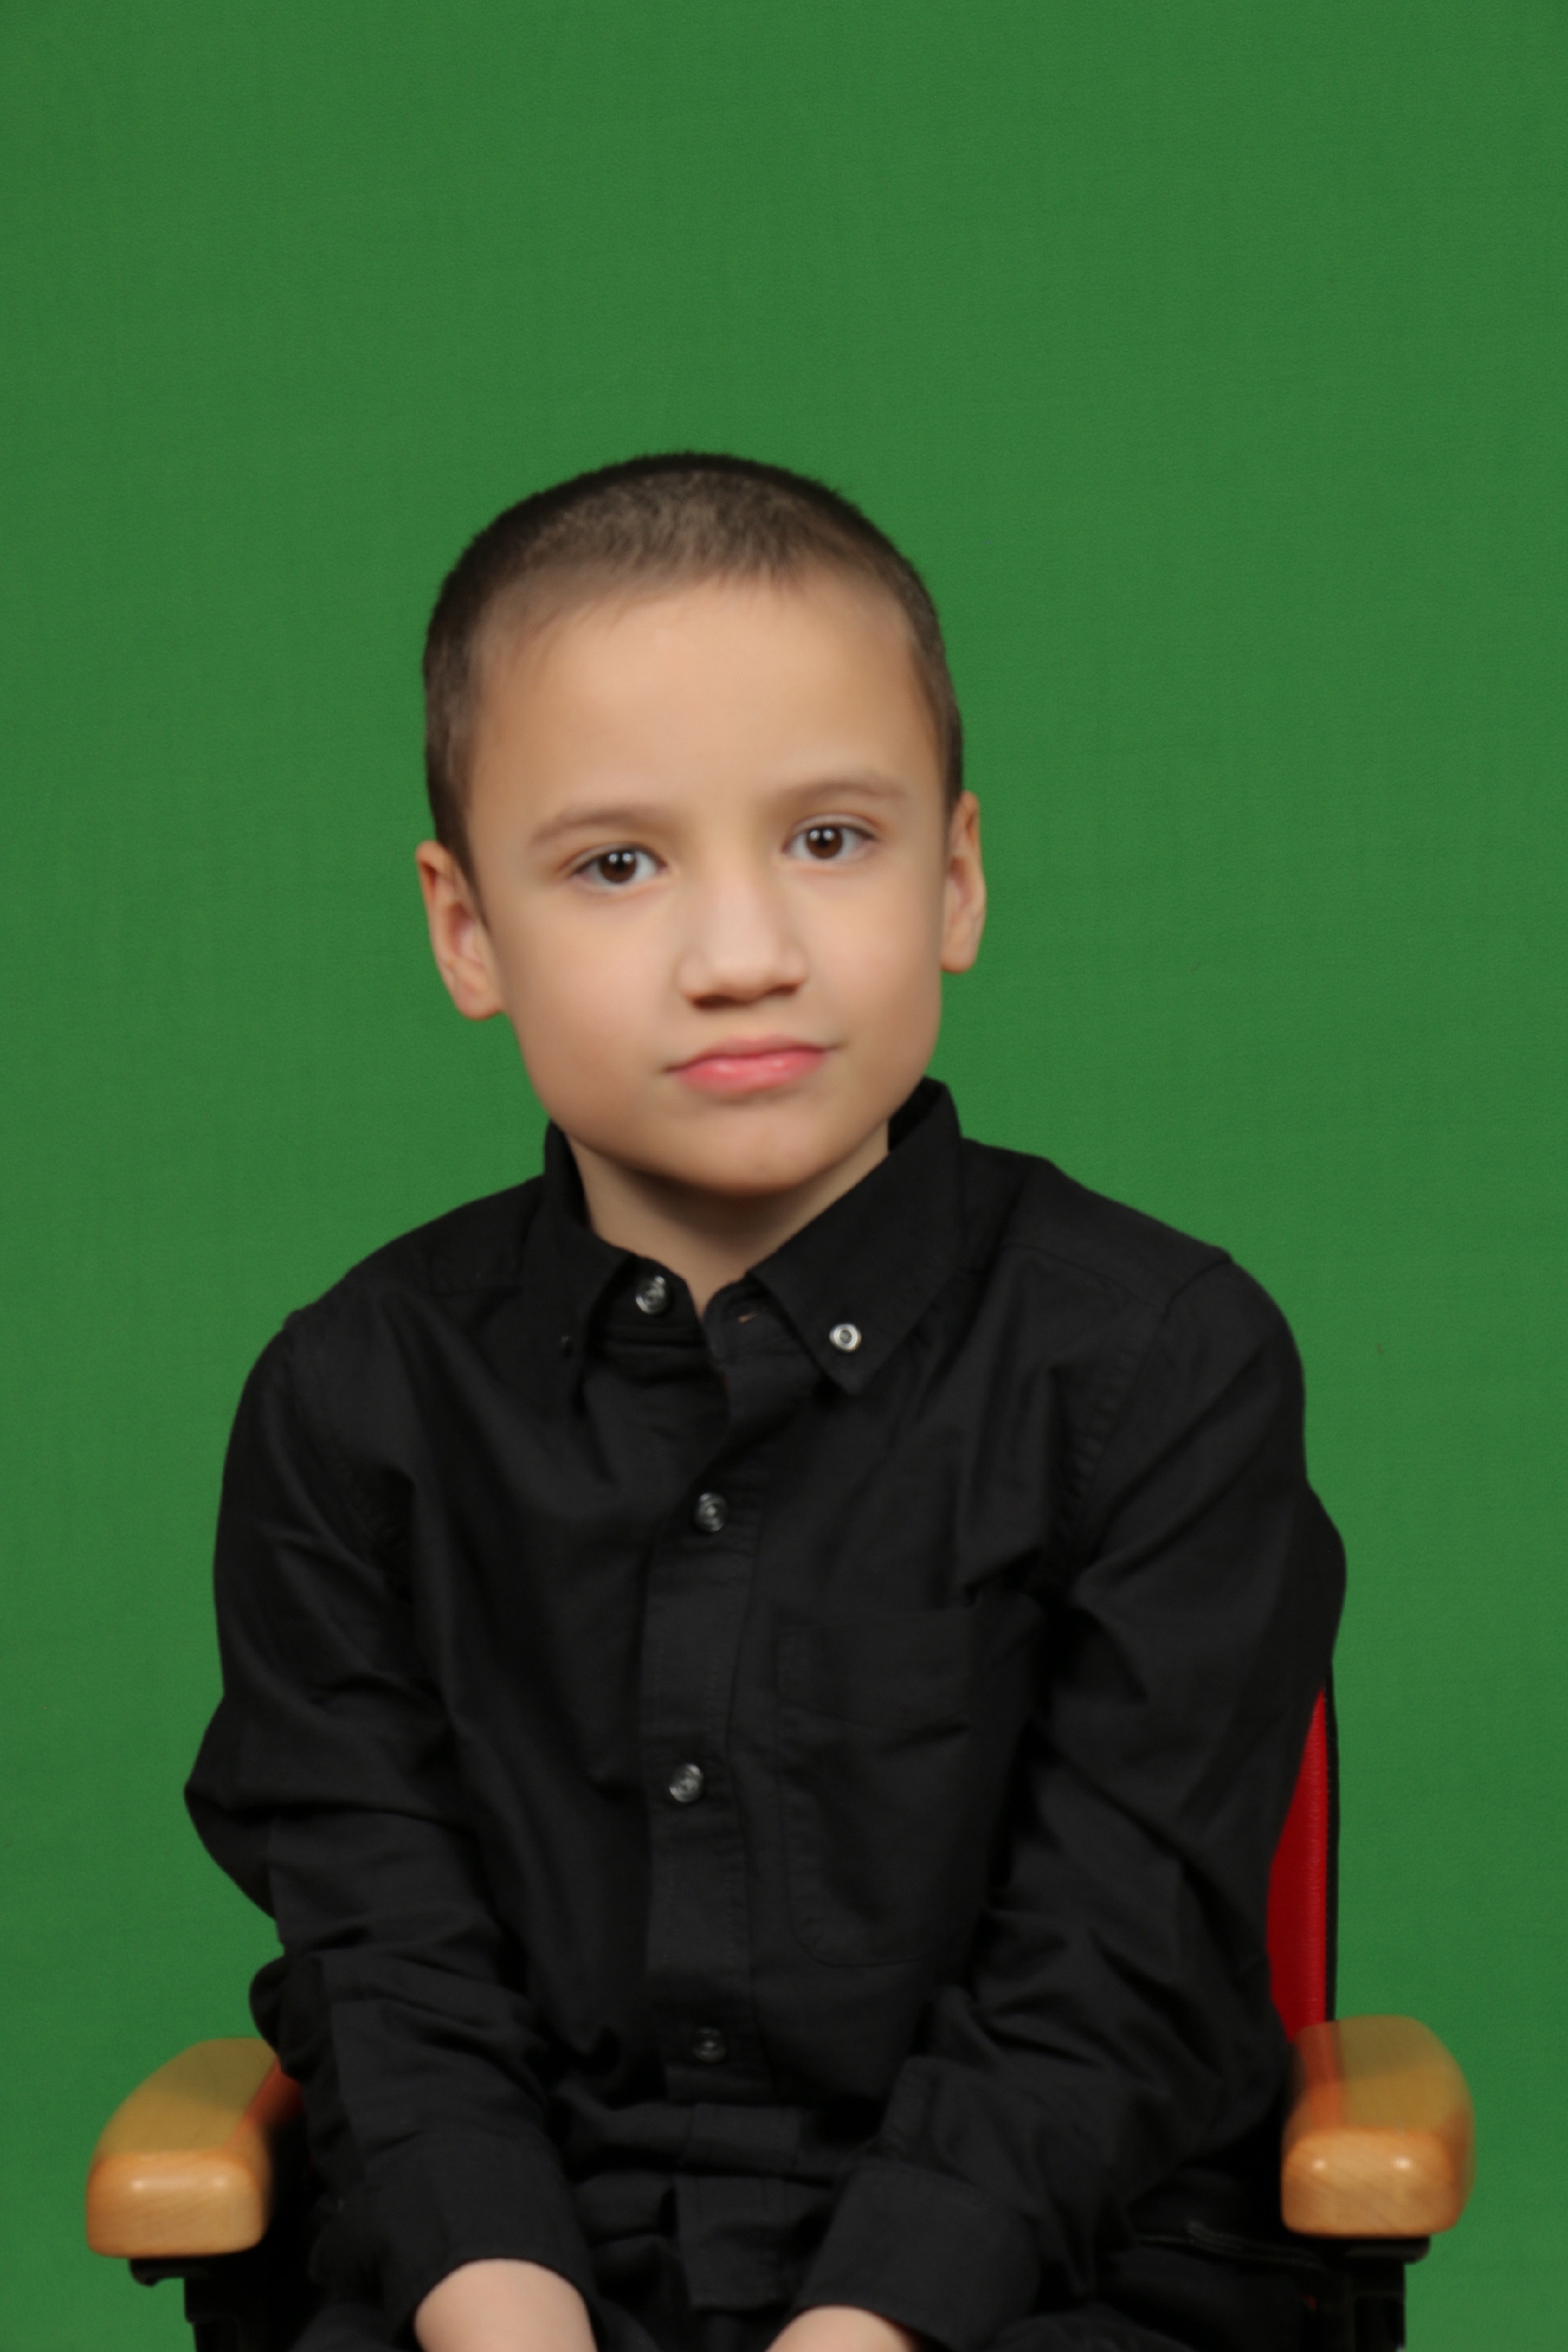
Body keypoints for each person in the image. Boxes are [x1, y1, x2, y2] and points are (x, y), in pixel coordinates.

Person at [187, 454, 1343, 2352]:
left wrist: (869, 2324)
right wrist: (506, 2310)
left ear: (954, 876)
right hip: (514, 2283)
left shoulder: (1162, 1363)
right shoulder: (355, 1397)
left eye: (829, 837)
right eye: (617, 864)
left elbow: (1113, 1963)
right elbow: (386, 1956)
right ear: (466, 929)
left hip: (1046, 2277)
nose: (743, 957)